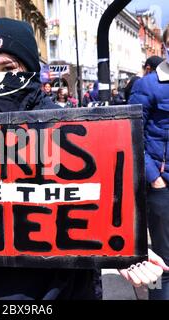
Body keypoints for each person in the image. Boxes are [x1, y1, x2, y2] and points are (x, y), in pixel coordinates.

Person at [0, 18, 168, 300]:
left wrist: (127, 250)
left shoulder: (73, 130)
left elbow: (101, 201)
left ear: (30, 70)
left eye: (8, 69)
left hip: (65, 286)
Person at [128, 25, 169, 300]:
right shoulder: (148, 84)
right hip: (161, 184)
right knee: (162, 258)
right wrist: (155, 177)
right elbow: (131, 135)